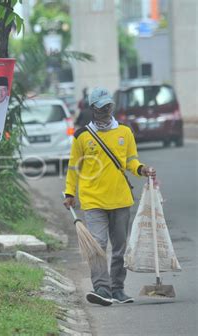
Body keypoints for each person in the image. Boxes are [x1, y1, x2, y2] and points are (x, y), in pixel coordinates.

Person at [63, 87, 156, 306]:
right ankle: (102, 288)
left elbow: (131, 160)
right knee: (97, 244)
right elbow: (74, 167)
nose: (106, 109)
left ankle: (118, 289)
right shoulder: (81, 136)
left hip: (121, 199)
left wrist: (141, 169)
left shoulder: (124, 131)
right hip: (93, 199)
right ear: (93, 108)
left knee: (120, 247)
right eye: (101, 106)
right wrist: (69, 192)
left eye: (109, 105)